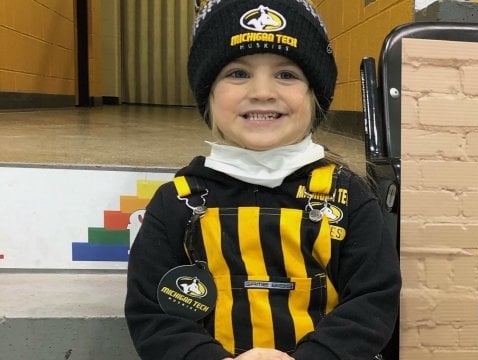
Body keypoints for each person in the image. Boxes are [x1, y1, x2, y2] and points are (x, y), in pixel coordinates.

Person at [124, 1, 401, 359]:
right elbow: (154, 316)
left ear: (315, 97)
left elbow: (372, 302)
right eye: (238, 73)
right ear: (208, 94)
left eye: (286, 74)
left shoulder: (349, 197)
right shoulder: (174, 203)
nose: (262, 91)